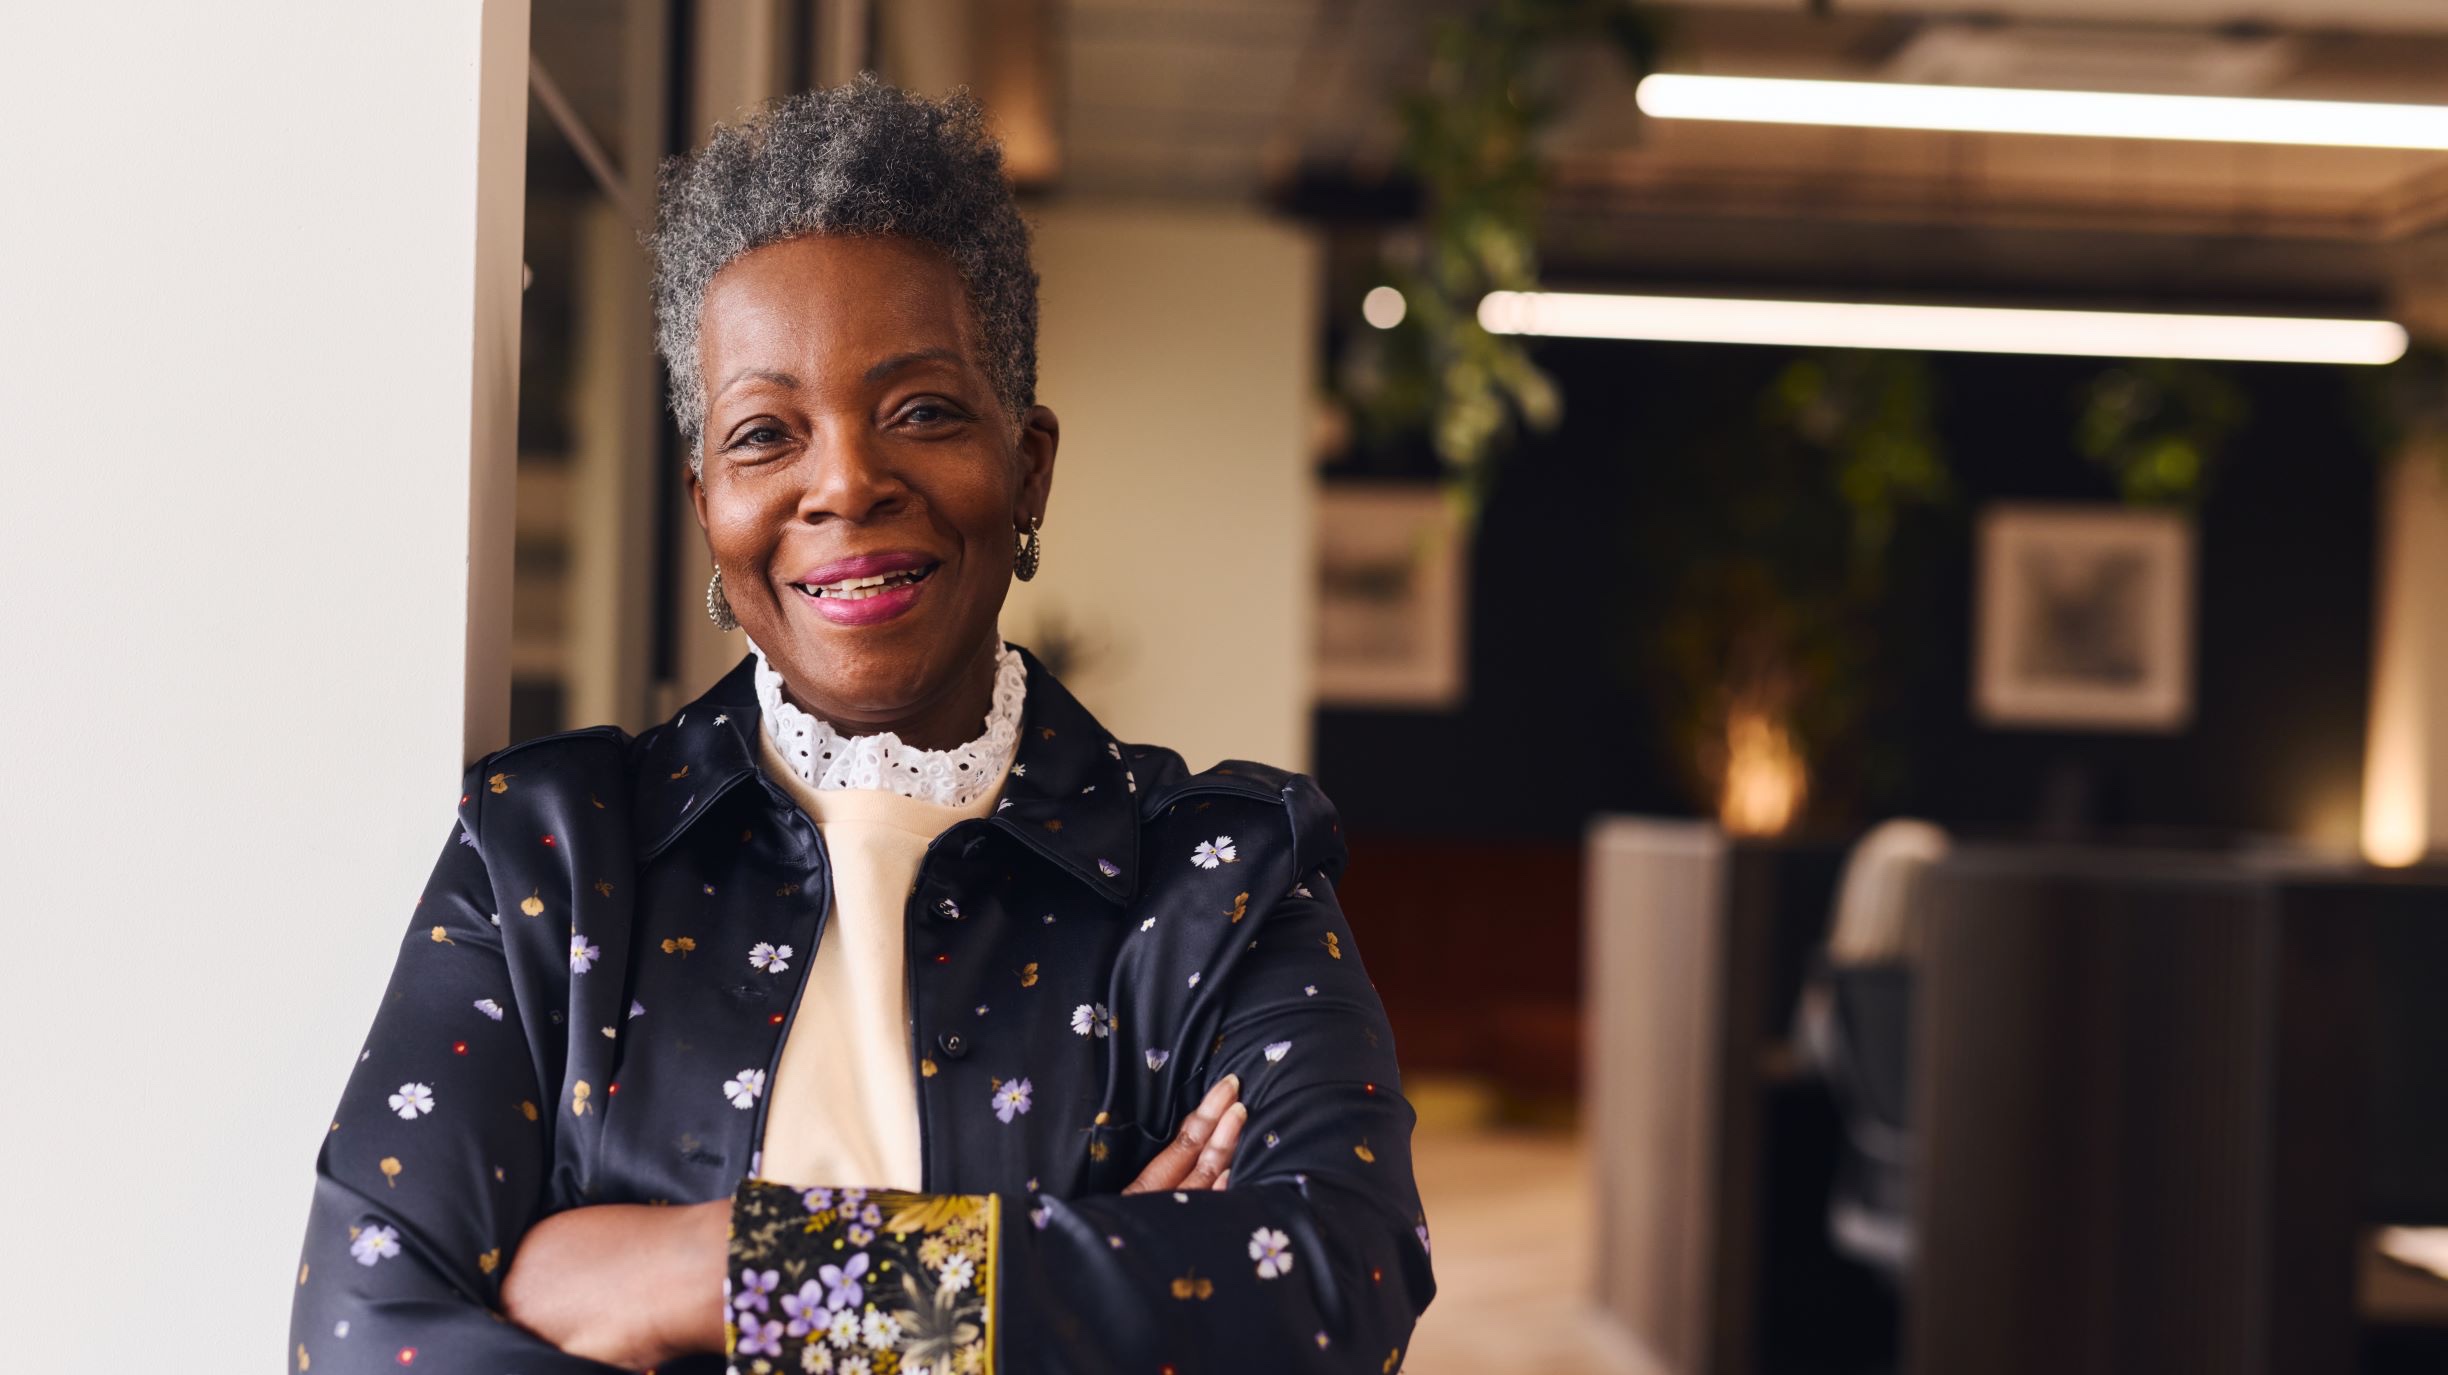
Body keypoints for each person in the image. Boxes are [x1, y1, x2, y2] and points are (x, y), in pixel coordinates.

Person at [289, 77, 1432, 1374]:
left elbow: (1339, 1281)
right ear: (707, 504)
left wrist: (712, 1271)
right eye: (766, 434)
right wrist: (1087, 1273)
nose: (844, 482)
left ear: (1029, 464)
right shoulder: (546, 858)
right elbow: (366, 1339)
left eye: (924, 412)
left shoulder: (1219, 878)